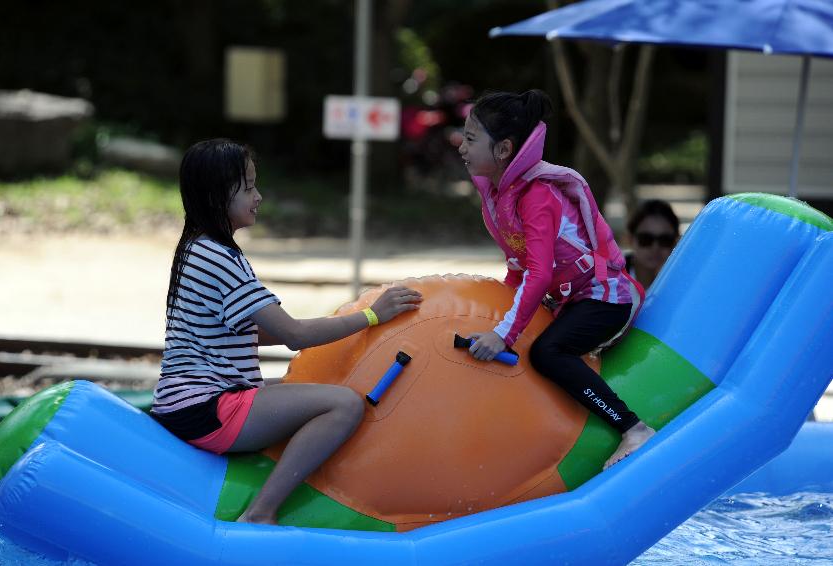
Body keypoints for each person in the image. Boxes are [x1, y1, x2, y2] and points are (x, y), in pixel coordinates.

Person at [150, 139, 422, 525]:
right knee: (344, 404)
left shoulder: (198, 248)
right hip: (207, 408)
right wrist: (372, 317)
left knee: (309, 381)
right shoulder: (218, 257)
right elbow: (293, 333)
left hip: (192, 402)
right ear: (216, 194)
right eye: (247, 187)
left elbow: (249, 335)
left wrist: (331, 329)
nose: (258, 196)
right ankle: (261, 512)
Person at [458, 90, 654, 470]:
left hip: (605, 299)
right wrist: (498, 318)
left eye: (470, 138)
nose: (461, 147)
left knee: (547, 353)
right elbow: (518, 266)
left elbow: (540, 272)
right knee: (521, 344)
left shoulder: (537, 194)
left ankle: (633, 428)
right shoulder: (500, 195)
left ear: (503, 150)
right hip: (570, 300)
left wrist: (504, 334)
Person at [625, 199, 679, 290]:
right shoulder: (608, 279)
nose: (655, 248)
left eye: (664, 240)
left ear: (675, 242)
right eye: (646, 239)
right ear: (630, 239)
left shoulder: (682, 282)